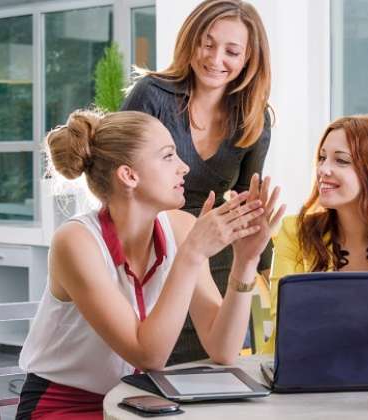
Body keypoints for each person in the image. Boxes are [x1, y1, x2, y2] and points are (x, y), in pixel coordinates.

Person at [16, 109, 284, 419]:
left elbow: (222, 349)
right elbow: (149, 355)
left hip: (136, 401)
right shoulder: (76, 243)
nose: (184, 167)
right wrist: (192, 254)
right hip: (66, 405)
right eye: (168, 156)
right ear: (129, 175)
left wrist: (245, 261)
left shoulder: (181, 227)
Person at [121, 0, 274, 363]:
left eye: (232, 51)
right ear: (190, 40)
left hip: (216, 254)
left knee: (212, 364)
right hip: (150, 248)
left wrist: (261, 268)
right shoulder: (152, 94)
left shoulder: (254, 117)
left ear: (249, 58)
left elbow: (245, 200)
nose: (215, 58)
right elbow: (118, 177)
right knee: (152, 362)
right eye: (207, 43)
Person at [265, 115, 368, 353]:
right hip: (302, 370)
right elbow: (285, 322)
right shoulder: (294, 231)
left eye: (341, 161)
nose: (323, 169)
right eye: (322, 158)